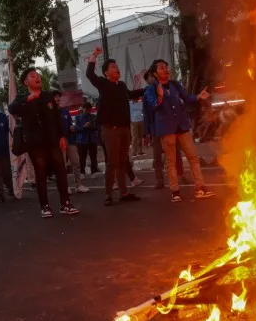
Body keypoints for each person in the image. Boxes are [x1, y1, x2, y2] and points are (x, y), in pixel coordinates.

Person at [9, 68, 80, 218]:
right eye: (33, 76)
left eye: (38, 76)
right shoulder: (22, 99)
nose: (37, 78)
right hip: (36, 143)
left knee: (61, 171)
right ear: (25, 82)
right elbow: (12, 109)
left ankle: (65, 203)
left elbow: (56, 117)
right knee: (40, 175)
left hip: (53, 140)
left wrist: (61, 136)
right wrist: (30, 98)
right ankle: (45, 206)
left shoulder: (48, 96)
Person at [145, 59, 214, 202]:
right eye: (162, 68)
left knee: (193, 157)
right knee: (171, 162)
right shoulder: (151, 89)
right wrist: (160, 95)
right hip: (166, 129)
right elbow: (153, 106)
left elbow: (188, 98)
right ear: (155, 73)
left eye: (166, 67)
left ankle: (200, 188)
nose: (166, 70)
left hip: (182, 126)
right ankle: (175, 191)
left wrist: (198, 97)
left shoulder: (175, 84)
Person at [86, 47, 144, 206]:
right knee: (112, 162)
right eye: (113, 67)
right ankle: (108, 194)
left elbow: (131, 95)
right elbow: (90, 74)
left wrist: (147, 90)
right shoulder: (103, 83)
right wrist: (94, 56)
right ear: (106, 73)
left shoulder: (122, 85)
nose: (116, 68)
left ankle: (124, 192)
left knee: (122, 160)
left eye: (116, 66)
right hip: (110, 130)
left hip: (125, 129)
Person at [143, 70, 184, 189]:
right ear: (147, 81)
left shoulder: (166, 90)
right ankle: (159, 180)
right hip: (156, 130)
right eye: (149, 78)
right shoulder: (147, 94)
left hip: (169, 127)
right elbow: (146, 114)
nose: (152, 79)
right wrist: (147, 133)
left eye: (152, 77)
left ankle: (181, 176)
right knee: (157, 157)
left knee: (176, 154)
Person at [54, 91, 90, 193]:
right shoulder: (50, 112)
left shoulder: (65, 111)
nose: (57, 99)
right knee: (62, 166)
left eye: (58, 97)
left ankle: (78, 185)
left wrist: (72, 128)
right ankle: (65, 187)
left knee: (76, 162)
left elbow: (70, 124)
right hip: (58, 142)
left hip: (70, 140)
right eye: (55, 97)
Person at [75, 102, 99, 177]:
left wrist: (90, 126)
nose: (87, 110)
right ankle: (82, 172)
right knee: (82, 157)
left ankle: (93, 172)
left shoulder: (93, 117)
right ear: (83, 108)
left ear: (90, 109)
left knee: (93, 157)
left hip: (92, 139)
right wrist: (84, 126)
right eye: (85, 108)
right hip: (81, 140)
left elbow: (96, 127)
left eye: (88, 109)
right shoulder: (78, 117)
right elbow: (76, 129)